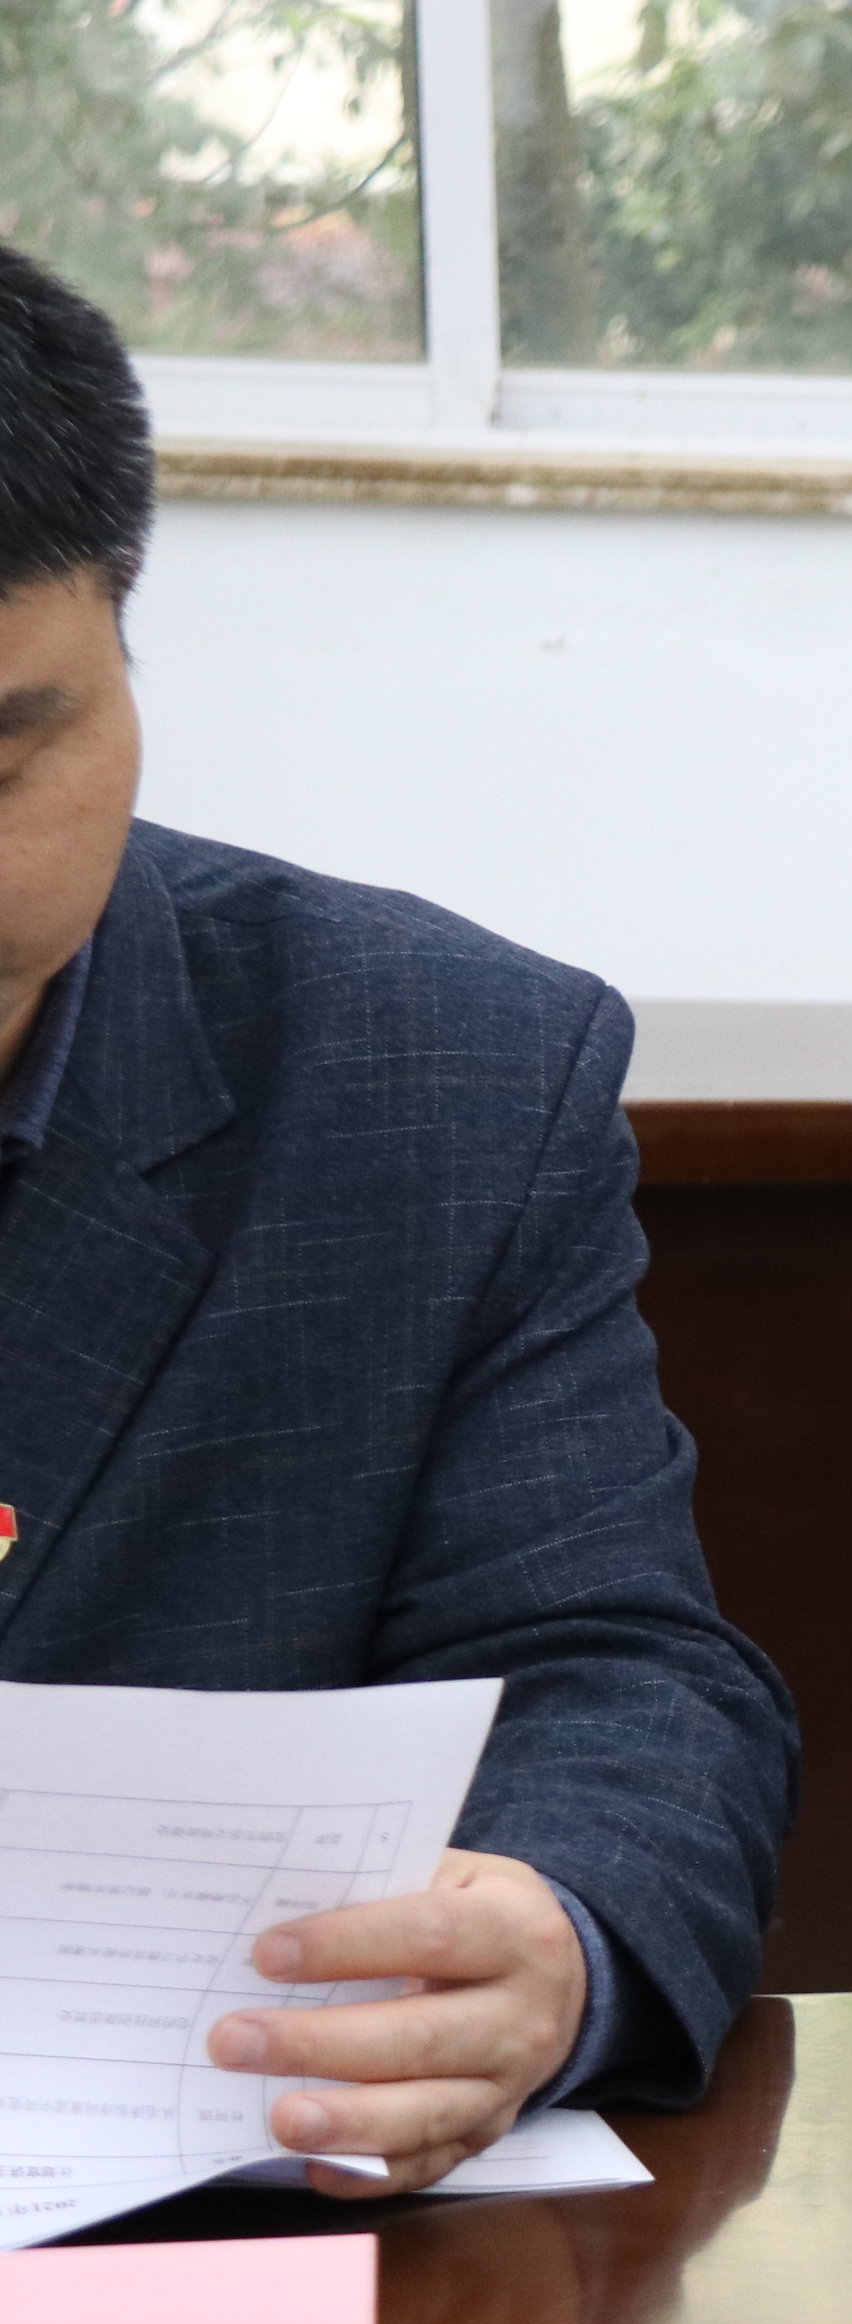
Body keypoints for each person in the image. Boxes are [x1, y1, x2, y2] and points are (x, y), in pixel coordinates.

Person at [0, 242, 794, 2191]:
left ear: (125, 655)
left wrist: (550, 1935)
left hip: (203, 2235)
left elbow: (623, 1682)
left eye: (4, 757)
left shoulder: (427, 1079)